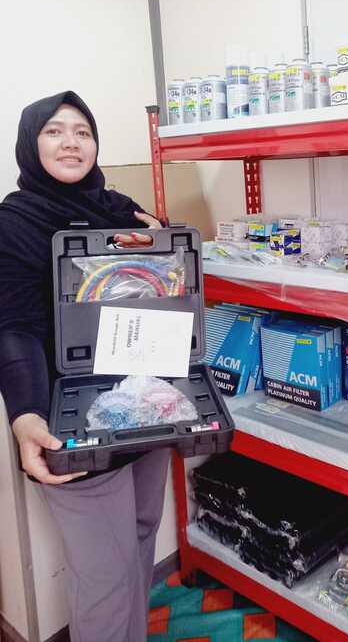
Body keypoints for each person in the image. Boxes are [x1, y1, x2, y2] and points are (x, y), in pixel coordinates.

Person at [0, 91, 170, 642]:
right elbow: (13, 325)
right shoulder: (14, 223)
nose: (71, 142)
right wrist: (26, 415)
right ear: (30, 143)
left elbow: (166, 287)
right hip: (72, 418)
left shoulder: (120, 209)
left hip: (143, 400)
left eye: (83, 131)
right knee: (104, 580)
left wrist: (162, 239)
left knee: (141, 536)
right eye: (54, 131)